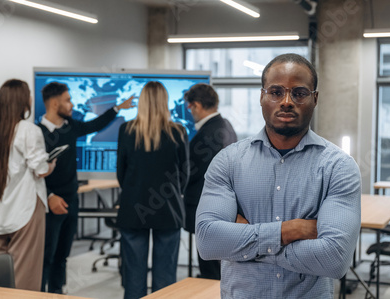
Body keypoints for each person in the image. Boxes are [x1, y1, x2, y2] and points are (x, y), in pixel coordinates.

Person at [195, 53, 361, 298]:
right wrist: (290, 230)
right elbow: (209, 242)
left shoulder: (338, 167)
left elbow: (334, 259)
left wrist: (246, 245)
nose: (286, 101)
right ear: (262, 96)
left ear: (315, 99)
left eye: (299, 93)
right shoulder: (228, 162)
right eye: (275, 92)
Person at [37, 81, 134, 293]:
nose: (72, 104)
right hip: (48, 204)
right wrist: (50, 195)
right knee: (46, 255)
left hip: (71, 201)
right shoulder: (36, 133)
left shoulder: (71, 126)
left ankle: (56, 293)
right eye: (68, 100)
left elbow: (95, 125)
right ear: (54, 103)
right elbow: (32, 176)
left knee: (62, 255)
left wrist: (118, 108)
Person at [0, 79, 55, 291]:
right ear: (21, 100)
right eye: (29, 94)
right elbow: (41, 169)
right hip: (25, 212)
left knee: (1, 278)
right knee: (25, 281)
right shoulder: (28, 130)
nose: (31, 98)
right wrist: (51, 164)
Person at [116, 81, 189, 299]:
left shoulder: (127, 131)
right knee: (165, 277)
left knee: (134, 277)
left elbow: (121, 172)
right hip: (168, 209)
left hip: (133, 209)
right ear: (164, 102)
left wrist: (133, 190)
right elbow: (184, 174)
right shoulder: (179, 132)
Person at [182, 83, 237, 280]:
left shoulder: (206, 135)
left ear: (196, 105)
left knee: (210, 272)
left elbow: (193, 173)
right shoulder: (226, 126)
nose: (189, 112)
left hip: (206, 209)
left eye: (189, 107)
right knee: (219, 267)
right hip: (224, 208)